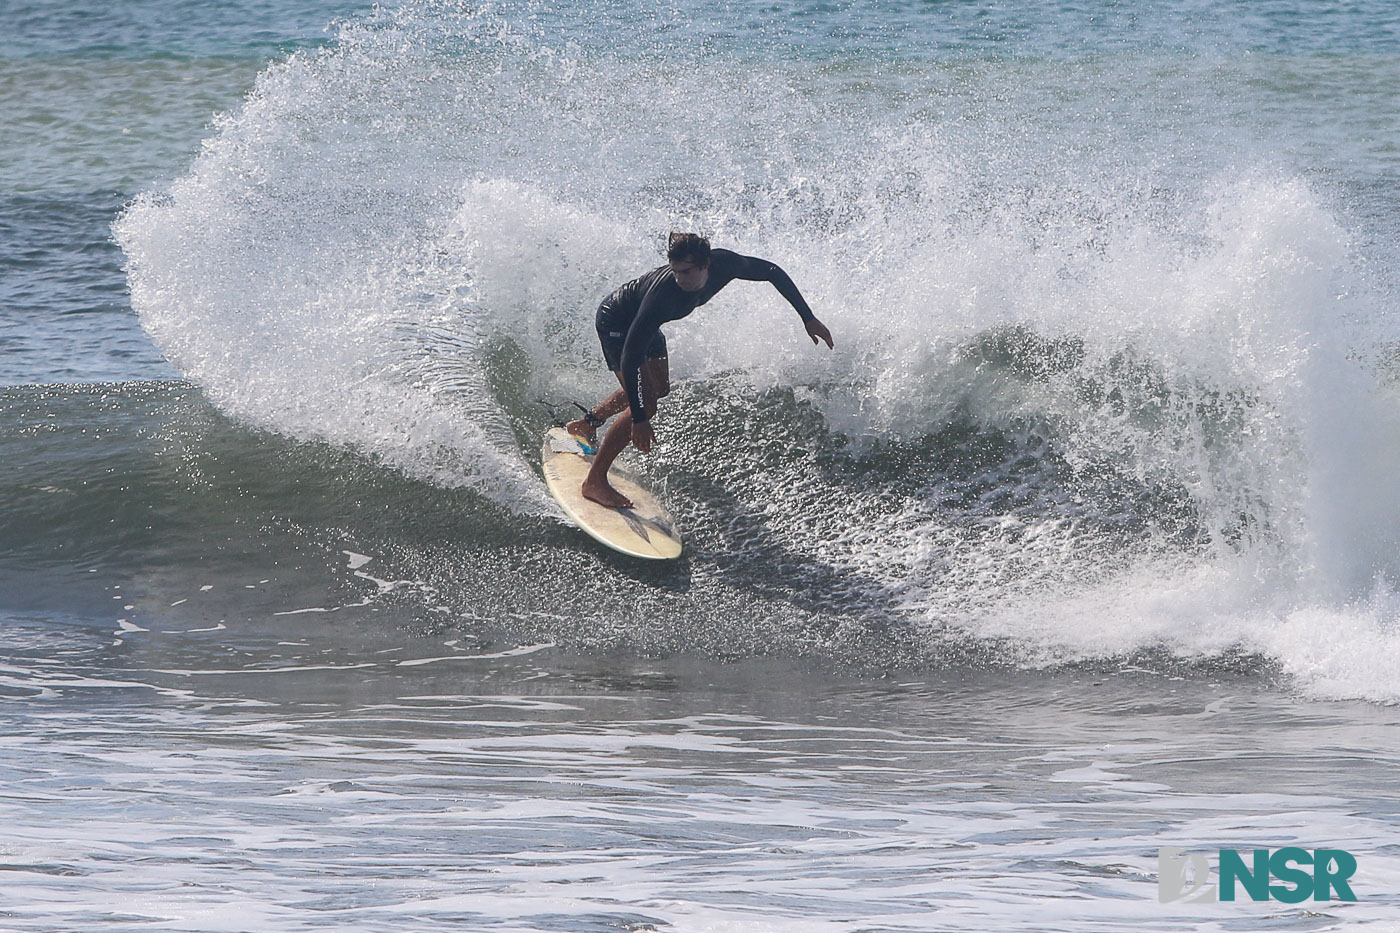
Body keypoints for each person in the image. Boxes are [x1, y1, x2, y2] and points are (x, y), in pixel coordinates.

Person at [565, 232, 834, 508]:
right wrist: (640, 419)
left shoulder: (726, 264)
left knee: (658, 388)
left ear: (706, 264)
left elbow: (771, 272)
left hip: (643, 325)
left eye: (686, 271)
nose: (679, 278)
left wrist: (808, 317)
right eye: (675, 271)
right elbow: (630, 357)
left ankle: (586, 425)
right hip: (618, 323)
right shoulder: (662, 296)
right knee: (646, 404)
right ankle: (594, 482)